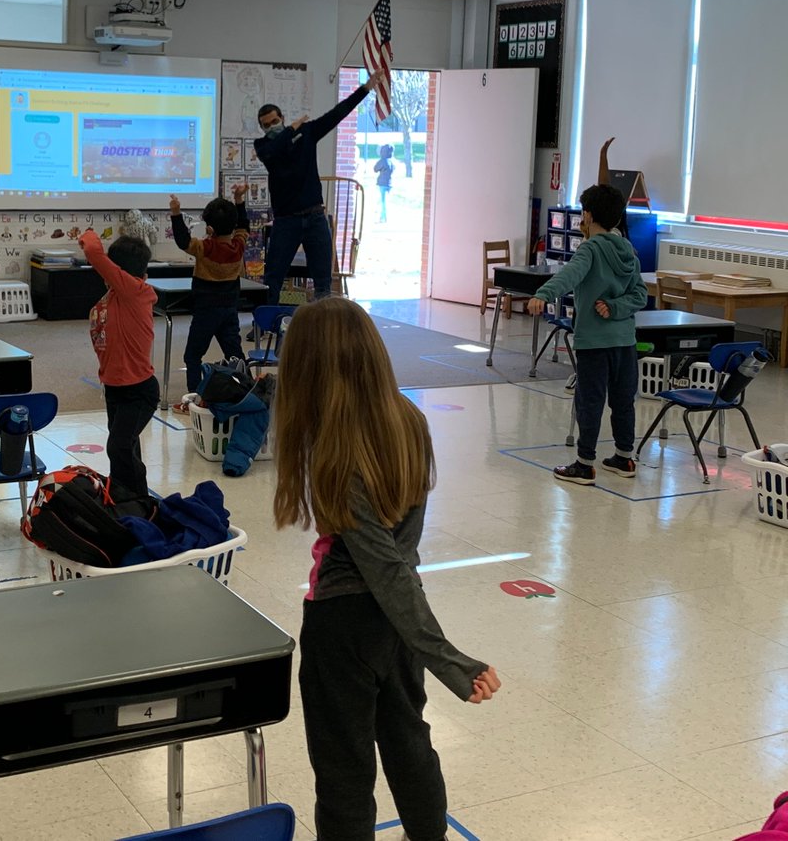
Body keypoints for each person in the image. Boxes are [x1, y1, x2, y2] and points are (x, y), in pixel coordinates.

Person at [272, 296, 501, 841]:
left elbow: (383, 568)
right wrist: (425, 645)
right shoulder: (411, 419)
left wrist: (450, 662)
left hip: (343, 626)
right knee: (408, 742)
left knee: (344, 770)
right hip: (396, 627)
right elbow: (405, 555)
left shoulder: (334, 446)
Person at [526, 183, 649, 485]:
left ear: (589, 216)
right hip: (625, 341)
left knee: (589, 401)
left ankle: (584, 464)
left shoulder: (591, 249)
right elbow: (640, 294)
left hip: (594, 342)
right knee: (623, 401)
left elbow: (569, 275)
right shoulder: (629, 252)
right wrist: (617, 307)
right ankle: (624, 457)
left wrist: (543, 293)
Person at [254, 66, 386, 305]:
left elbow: (338, 113)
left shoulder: (307, 133)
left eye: (275, 121)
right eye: (267, 124)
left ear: (281, 118)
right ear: (262, 128)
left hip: (315, 217)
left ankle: (322, 326)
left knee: (323, 280)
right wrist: (291, 130)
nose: (272, 126)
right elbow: (272, 153)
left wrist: (366, 88)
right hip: (286, 220)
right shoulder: (262, 145)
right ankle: (265, 324)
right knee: (273, 277)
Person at [78, 228, 159, 500]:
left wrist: (89, 232)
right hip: (114, 388)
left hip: (139, 391)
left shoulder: (135, 292)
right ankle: (123, 499)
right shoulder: (112, 297)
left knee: (119, 447)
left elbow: (92, 251)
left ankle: (140, 503)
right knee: (125, 448)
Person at [168, 184, 249, 410]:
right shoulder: (239, 246)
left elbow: (183, 240)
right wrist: (238, 199)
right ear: (232, 227)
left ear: (210, 229)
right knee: (235, 354)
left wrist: (176, 214)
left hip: (205, 313)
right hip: (229, 312)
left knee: (193, 356)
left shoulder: (204, 248)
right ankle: (246, 392)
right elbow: (244, 225)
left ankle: (194, 400)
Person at [374, 143, 395, 222]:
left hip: (382, 184)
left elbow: (375, 169)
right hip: (389, 183)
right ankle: (383, 216)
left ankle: (383, 217)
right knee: (384, 201)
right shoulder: (391, 162)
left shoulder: (383, 161)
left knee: (383, 201)